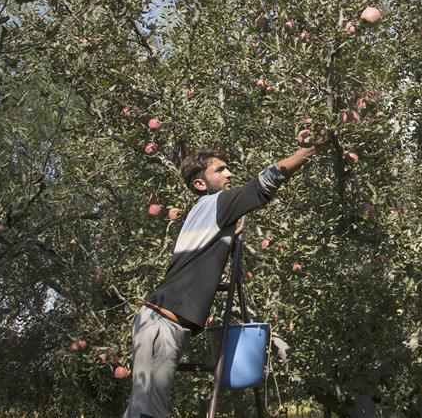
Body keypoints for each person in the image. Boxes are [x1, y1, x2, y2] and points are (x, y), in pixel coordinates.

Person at [123, 131, 329, 418]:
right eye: (220, 170)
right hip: (162, 324)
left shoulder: (202, 213)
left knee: (143, 407)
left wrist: (230, 233)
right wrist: (312, 149)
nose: (229, 173)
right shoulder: (217, 203)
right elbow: (266, 183)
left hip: (162, 321)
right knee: (148, 413)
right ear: (200, 183)